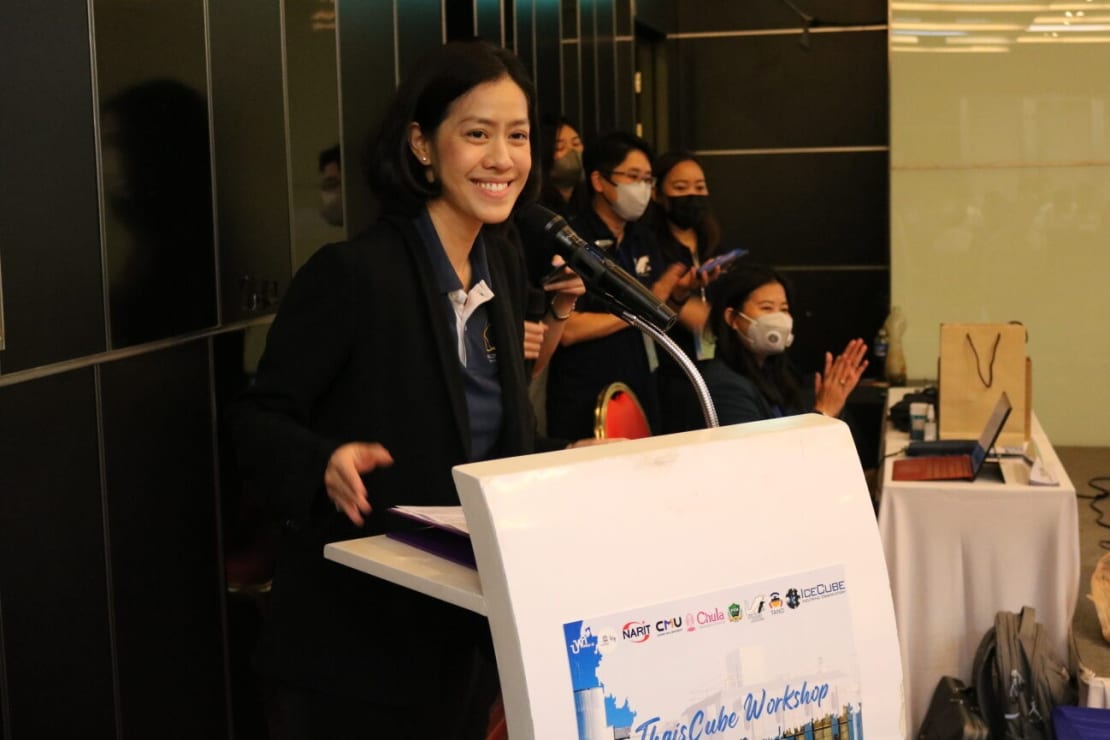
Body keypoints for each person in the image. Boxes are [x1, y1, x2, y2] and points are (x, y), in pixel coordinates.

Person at [230, 40, 584, 739]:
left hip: (462, 631)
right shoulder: (353, 275)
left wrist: (562, 458)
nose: (503, 158)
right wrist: (322, 460)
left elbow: (476, 438)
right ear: (423, 145)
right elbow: (257, 419)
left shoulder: (503, 264)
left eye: (517, 136)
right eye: (476, 134)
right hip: (357, 647)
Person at [544, 131, 697, 440]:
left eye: (647, 180)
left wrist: (675, 297)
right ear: (600, 181)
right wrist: (646, 305)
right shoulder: (573, 239)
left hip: (643, 382)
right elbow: (569, 330)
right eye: (632, 177)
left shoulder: (644, 237)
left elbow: (657, 309)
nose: (641, 188)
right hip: (586, 392)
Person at [702, 264, 868, 425]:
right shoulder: (726, 386)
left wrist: (831, 409)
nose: (778, 319)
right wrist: (823, 413)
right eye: (767, 308)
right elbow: (760, 451)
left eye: (784, 309)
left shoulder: (775, 373)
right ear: (732, 318)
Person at [647, 150, 725, 432]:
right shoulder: (650, 245)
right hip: (671, 371)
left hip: (714, 365)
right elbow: (690, 314)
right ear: (657, 193)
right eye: (680, 188)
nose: (692, 195)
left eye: (699, 187)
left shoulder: (711, 241)